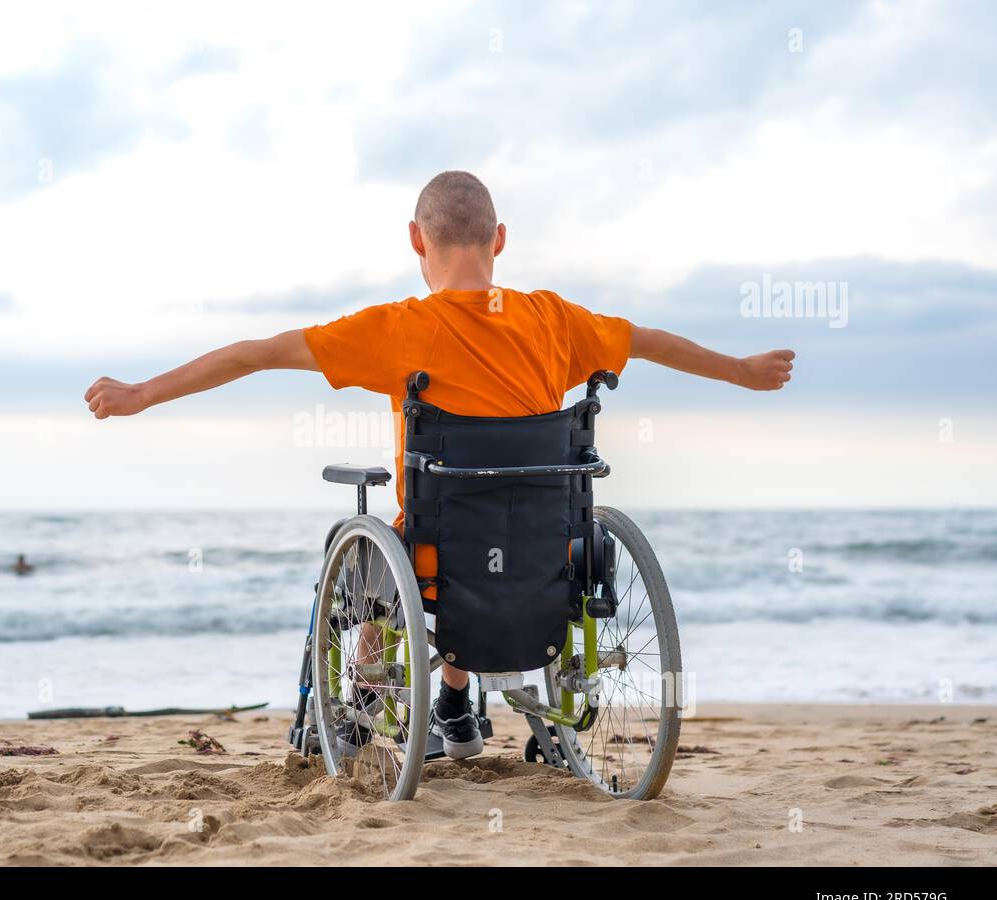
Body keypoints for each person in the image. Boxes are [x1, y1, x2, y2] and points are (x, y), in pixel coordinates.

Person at [84, 170, 794, 759]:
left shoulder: (397, 329)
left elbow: (256, 352)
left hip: (433, 566)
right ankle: (455, 700)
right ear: (501, 240)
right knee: (490, 524)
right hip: (546, 554)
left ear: (416, 240)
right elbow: (649, 341)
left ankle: (374, 701)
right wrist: (742, 370)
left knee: (372, 550)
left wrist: (144, 393)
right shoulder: (556, 321)